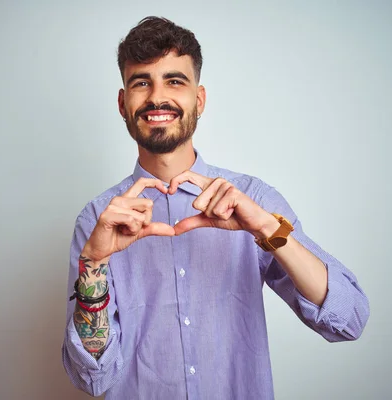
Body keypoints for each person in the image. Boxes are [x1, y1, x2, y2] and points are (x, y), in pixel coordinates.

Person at [62, 16, 369, 399]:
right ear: (124, 104)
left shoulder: (250, 198)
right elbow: (92, 377)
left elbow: (348, 318)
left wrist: (266, 230)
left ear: (199, 99)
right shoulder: (97, 220)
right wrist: (93, 265)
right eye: (142, 82)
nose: (158, 97)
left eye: (175, 80)